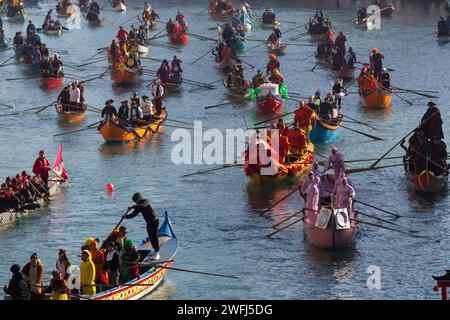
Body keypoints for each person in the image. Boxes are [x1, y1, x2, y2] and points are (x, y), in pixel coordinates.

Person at [124, 192, 160, 260]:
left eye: (135, 200)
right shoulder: (139, 206)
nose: (135, 202)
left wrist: (132, 207)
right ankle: (155, 250)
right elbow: (133, 215)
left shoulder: (145, 201)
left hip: (154, 221)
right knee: (151, 237)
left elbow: (142, 205)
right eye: (134, 201)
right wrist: (126, 216)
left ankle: (157, 253)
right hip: (149, 223)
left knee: (154, 236)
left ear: (139, 198)